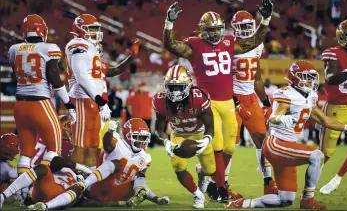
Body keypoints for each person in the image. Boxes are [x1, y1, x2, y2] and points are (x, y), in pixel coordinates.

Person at [163, 0, 273, 202]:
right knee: (218, 146)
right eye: (210, 30)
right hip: (208, 103)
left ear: (223, 28)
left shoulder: (229, 42)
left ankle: (211, 180)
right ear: (203, 30)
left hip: (228, 103)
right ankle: (221, 190)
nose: (214, 33)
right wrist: (169, 24)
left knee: (230, 148)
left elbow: (252, 42)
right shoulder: (194, 45)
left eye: (217, 29)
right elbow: (171, 45)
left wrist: (265, 20)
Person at [225, 60, 347, 209]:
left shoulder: (310, 96)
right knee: (317, 156)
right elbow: (274, 118)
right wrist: (284, 119)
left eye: (311, 77)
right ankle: (307, 199)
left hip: (287, 147)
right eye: (305, 77)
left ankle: (244, 203)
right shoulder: (287, 94)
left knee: (285, 200)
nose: (310, 80)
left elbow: (326, 121)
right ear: (294, 78)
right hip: (276, 144)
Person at [212, 10, 276, 198]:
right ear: (234, 29)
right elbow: (221, 78)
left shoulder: (257, 45)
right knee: (228, 145)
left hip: (250, 98)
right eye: (243, 26)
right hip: (230, 97)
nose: (247, 30)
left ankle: (268, 181)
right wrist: (236, 102)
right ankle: (221, 186)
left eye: (249, 26)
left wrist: (265, 102)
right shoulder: (228, 46)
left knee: (262, 141)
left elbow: (256, 77)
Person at [66, 14, 139, 169]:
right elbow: (81, 76)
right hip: (82, 98)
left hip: (95, 101)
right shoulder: (78, 44)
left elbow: (113, 70)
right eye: (91, 28)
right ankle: (74, 178)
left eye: (96, 29)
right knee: (80, 143)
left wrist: (131, 57)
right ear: (79, 29)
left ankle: (89, 178)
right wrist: (101, 101)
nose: (95, 32)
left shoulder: (91, 50)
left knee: (93, 143)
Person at [8, 14, 76, 176]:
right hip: (39, 103)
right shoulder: (49, 48)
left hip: (20, 105)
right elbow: (54, 77)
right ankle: (39, 186)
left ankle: (22, 193)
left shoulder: (14, 49)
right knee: (54, 149)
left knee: (26, 153)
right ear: (42, 31)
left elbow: (16, 72)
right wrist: (69, 105)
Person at [153, 65, 218, 208]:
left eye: (179, 87)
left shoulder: (199, 97)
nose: (175, 92)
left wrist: (206, 139)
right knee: (178, 166)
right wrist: (166, 141)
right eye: (171, 87)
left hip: (199, 133)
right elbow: (159, 128)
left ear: (188, 85)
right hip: (178, 134)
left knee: (211, 170)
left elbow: (210, 126)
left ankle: (201, 172)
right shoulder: (160, 100)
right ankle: (197, 194)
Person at [319, 19, 347, 163]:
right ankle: (311, 183)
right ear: (342, 36)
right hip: (335, 108)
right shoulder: (333, 53)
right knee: (324, 155)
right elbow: (330, 78)